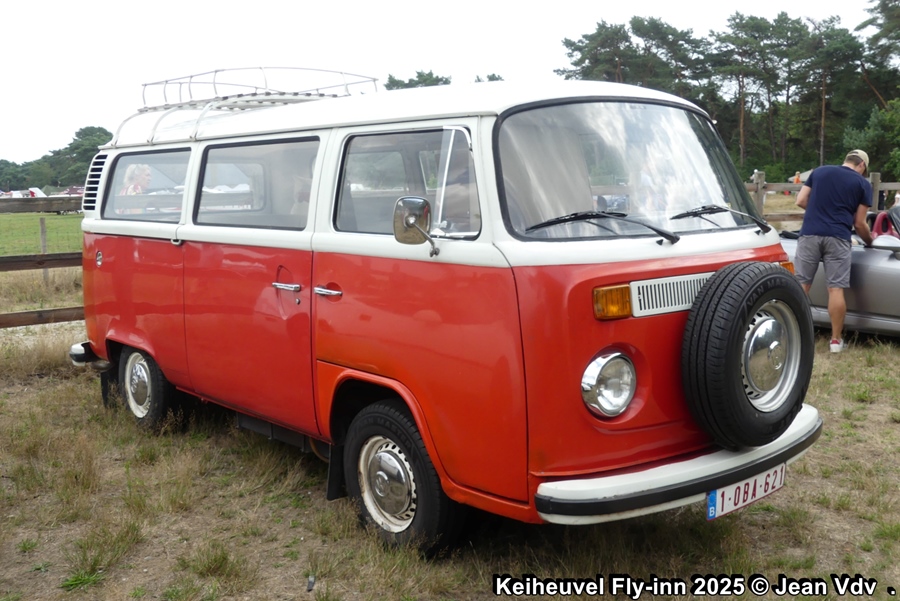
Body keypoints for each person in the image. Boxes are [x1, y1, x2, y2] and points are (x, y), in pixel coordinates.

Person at [794, 149, 874, 353]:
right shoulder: (863, 183)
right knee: (835, 289)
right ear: (862, 165)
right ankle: (836, 342)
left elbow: (800, 200)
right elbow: (859, 223)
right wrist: (870, 241)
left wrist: (819, 213)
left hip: (810, 233)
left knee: (801, 285)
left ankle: (792, 333)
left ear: (847, 159)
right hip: (838, 237)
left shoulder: (819, 172)